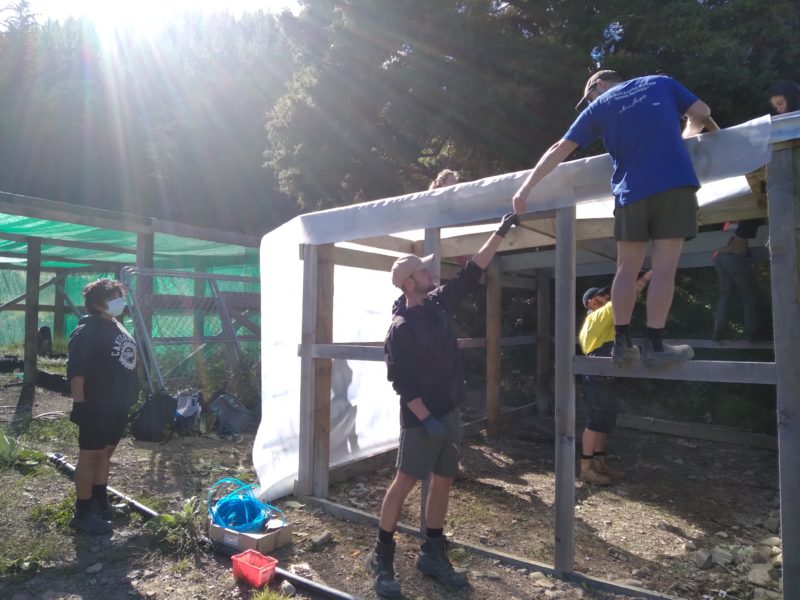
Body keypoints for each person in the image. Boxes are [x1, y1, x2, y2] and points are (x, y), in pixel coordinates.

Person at [512, 70, 717, 368]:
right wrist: (684, 136)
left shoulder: (599, 106)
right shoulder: (661, 83)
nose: (590, 102)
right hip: (673, 183)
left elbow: (560, 148)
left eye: (589, 97)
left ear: (599, 85)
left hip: (630, 193)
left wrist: (525, 187)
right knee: (663, 270)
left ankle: (621, 344)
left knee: (625, 269)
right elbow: (702, 113)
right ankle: (655, 345)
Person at [366, 212, 520, 598]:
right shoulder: (400, 329)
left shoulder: (437, 304)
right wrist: (426, 419)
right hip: (422, 420)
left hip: (449, 413)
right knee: (404, 484)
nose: (430, 275)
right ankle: (381, 558)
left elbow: (473, 272)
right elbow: (401, 381)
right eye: (422, 272)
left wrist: (500, 231)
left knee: (444, 481)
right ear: (408, 282)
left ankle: (432, 553)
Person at [67, 279, 139, 535]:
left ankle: (100, 501)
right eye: (114, 297)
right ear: (97, 304)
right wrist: (80, 403)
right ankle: (83, 511)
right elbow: (77, 371)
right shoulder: (87, 331)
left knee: (105, 454)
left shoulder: (116, 325)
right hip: (96, 404)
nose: (120, 301)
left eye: (120, 295)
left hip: (117, 405)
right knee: (90, 456)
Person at [578, 272, 651, 485]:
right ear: (591, 302)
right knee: (596, 421)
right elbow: (626, 296)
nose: (608, 298)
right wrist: (645, 278)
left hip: (602, 373)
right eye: (602, 296)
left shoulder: (599, 320)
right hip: (598, 372)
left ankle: (599, 464)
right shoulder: (597, 316)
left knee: (605, 420)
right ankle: (586, 468)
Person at [712, 226, 766, 341]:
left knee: (725, 294)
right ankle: (753, 332)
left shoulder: (728, 221)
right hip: (734, 257)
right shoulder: (745, 221)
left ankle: (718, 330)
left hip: (719, 257)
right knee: (750, 294)